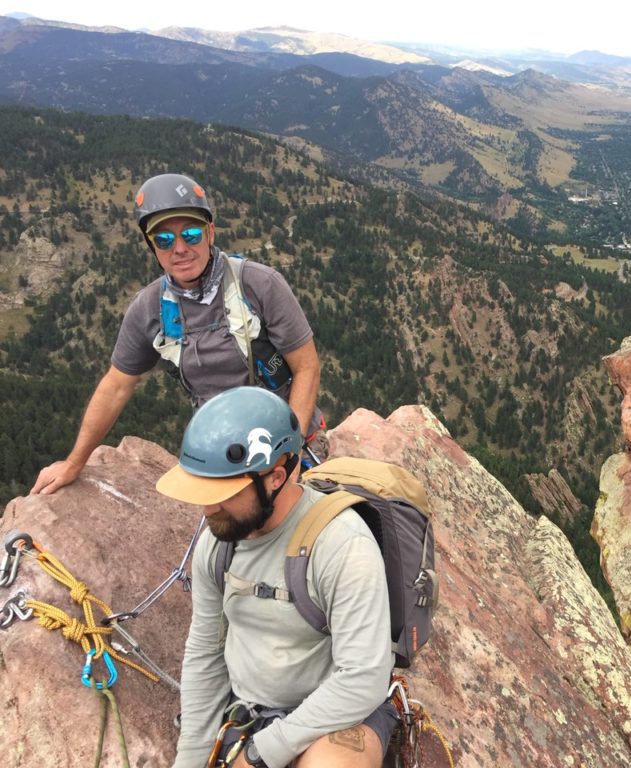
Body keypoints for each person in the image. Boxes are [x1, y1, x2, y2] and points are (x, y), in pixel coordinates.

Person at [32, 172, 323, 495]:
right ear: (152, 247)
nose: (180, 248)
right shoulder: (148, 308)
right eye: (164, 240)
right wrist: (74, 463)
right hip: (221, 457)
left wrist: (291, 453)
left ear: (211, 233)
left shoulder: (259, 284)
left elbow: (306, 367)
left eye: (191, 234)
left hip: (287, 445)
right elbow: (115, 386)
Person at [156, 386, 396, 768]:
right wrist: (190, 760)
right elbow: (206, 652)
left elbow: (363, 677)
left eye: (224, 492)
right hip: (247, 710)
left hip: (335, 714)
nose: (207, 509)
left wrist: (260, 754)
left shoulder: (341, 544)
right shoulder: (217, 545)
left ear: (275, 478)